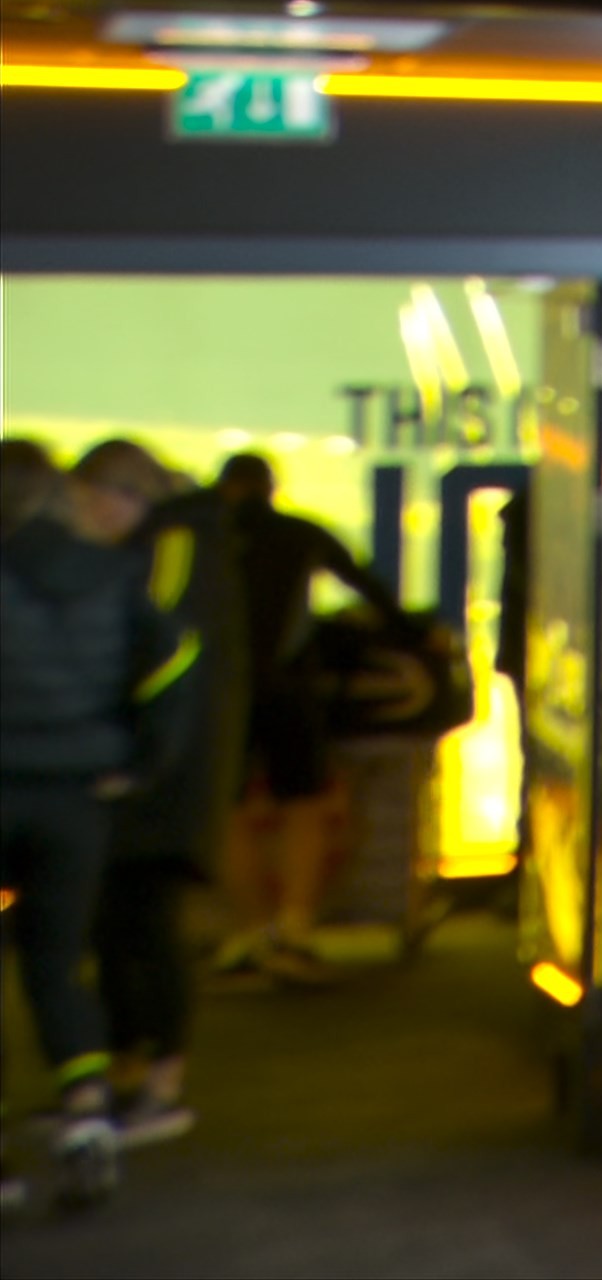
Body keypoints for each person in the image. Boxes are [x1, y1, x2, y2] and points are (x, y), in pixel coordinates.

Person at [0, 439, 195, 1217]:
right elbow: (175, 665)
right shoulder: (117, 575)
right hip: (78, 801)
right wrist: (142, 763)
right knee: (56, 961)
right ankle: (85, 1113)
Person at [97, 468, 249, 1143]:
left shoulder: (173, 549)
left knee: (142, 926)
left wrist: (140, 759)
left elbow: (155, 650)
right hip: (173, 768)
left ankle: (155, 1076)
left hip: (162, 773)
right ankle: (139, 1071)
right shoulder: (187, 543)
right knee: (129, 923)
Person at [211, 452, 400, 987]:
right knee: (304, 804)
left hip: (221, 692)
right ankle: (294, 927)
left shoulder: (204, 536)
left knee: (225, 810)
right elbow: (365, 585)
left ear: (224, 487)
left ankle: (250, 929)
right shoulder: (300, 533)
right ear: (270, 488)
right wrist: (411, 630)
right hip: (289, 689)